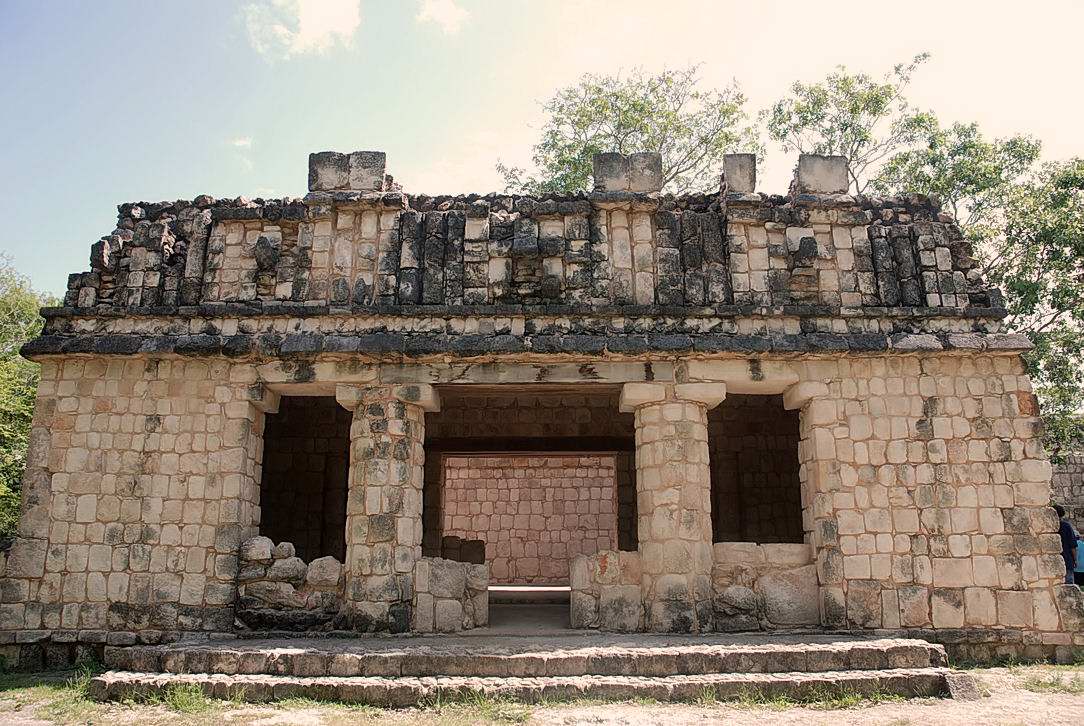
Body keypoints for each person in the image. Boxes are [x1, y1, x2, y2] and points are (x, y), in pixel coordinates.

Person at [1054, 504, 1077, 585]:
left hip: (1053, 562)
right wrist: (1075, 559)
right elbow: (1073, 546)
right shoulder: (1066, 526)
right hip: (1067, 560)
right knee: (1069, 586)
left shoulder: (1049, 527)